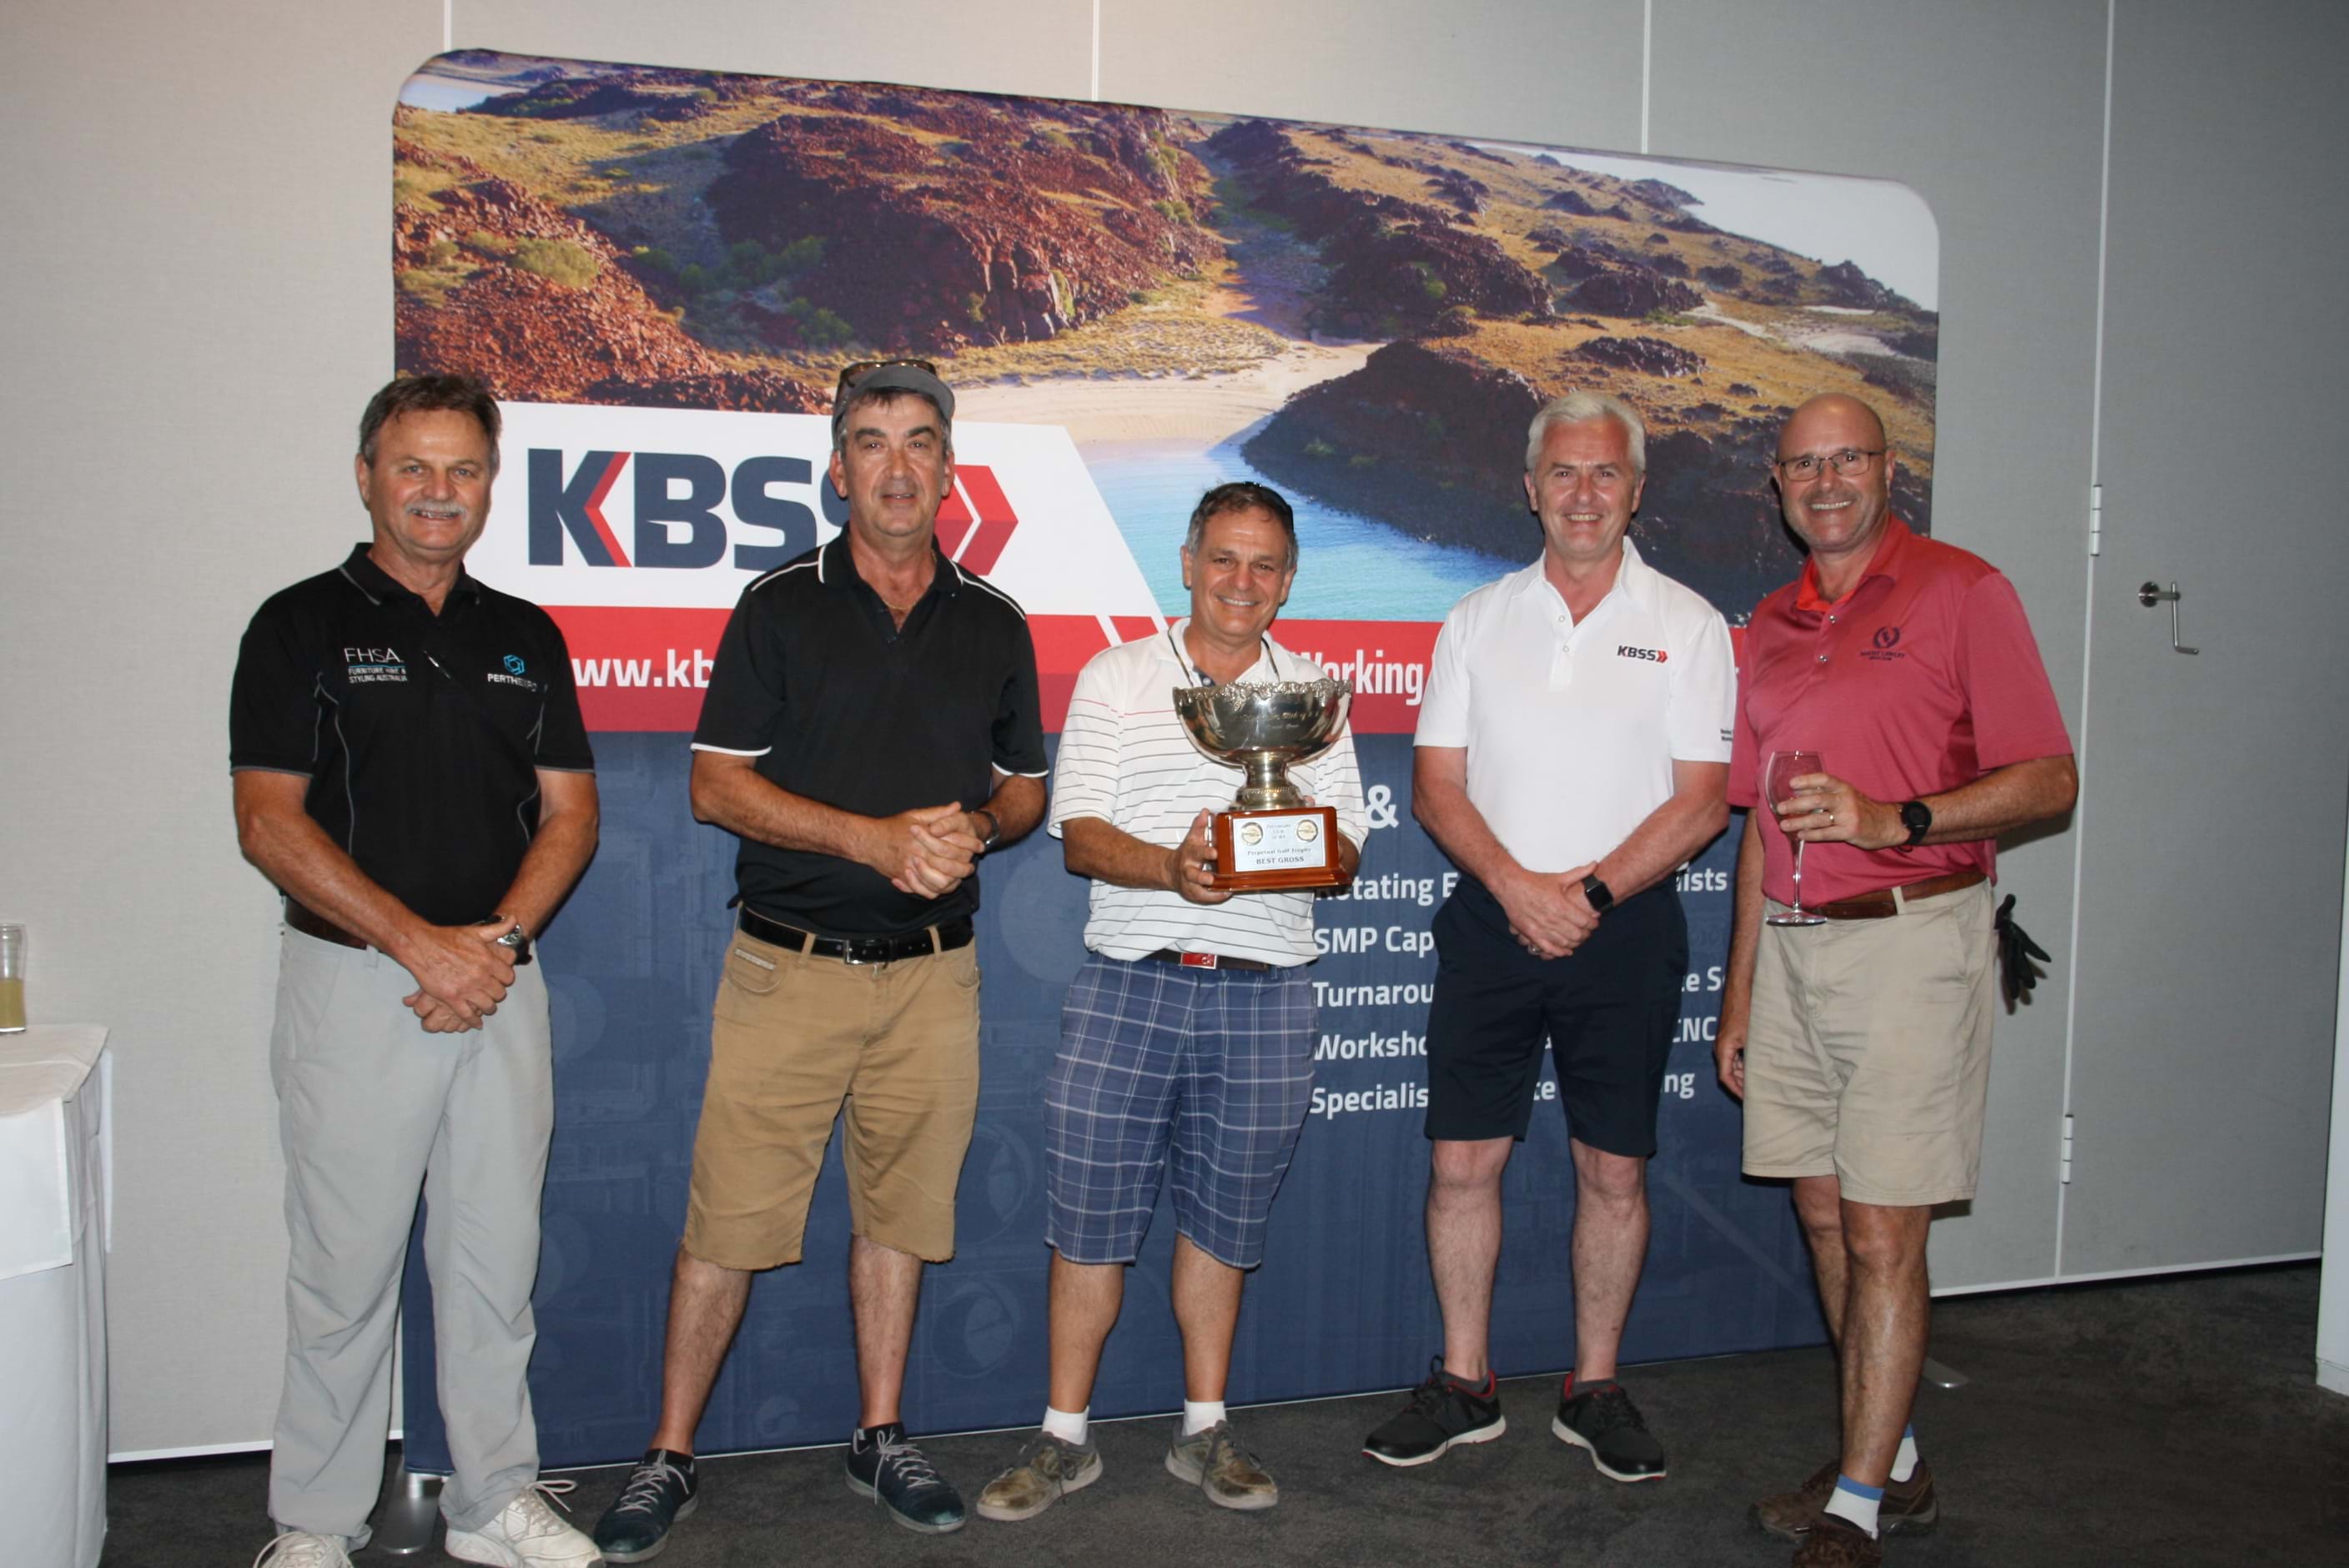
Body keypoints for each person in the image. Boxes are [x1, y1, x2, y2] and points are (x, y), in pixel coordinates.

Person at [589, 361, 1046, 1559]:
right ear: (838, 469)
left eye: (920, 442)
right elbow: (714, 786)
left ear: (950, 469)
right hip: (787, 971)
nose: (897, 465)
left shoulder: (994, 620)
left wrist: (975, 827)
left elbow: (1025, 790)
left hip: (935, 976)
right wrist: (872, 840)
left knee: (901, 1213)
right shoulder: (779, 604)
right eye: (872, 442)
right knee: (728, 1220)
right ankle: (668, 1452)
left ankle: (879, 1435)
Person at [232, 374, 602, 1568]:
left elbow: (571, 814)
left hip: (499, 985)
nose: (439, 492)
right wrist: (419, 944)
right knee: (342, 1274)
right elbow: (268, 822)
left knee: (495, 1263)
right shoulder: (297, 625)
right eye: (414, 467)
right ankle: (314, 1521)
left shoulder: (525, 632)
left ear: (490, 485)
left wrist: (491, 947)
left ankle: (492, 1500)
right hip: (356, 986)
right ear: (367, 477)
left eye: (464, 469)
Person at [1716, 394, 2076, 1568]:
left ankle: (1858, 1504)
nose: (1825, 482)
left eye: (1847, 459)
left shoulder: (1964, 590)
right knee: (1824, 1213)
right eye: (1802, 464)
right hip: (1795, 952)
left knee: (1881, 1231)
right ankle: (1896, 1461)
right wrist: (1738, 992)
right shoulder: (1768, 624)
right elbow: (1760, 828)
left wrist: (1897, 817)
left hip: (1913, 941)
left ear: (1887, 470)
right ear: (1777, 485)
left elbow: (2050, 778)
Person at [973, 481, 1366, 1521]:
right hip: (1131, 981)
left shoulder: (1314, 696)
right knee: (1088, 1218)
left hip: (1266, 993)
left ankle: (1204, 1428)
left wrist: (1284, 842)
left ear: (1288, 580)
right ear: (1187, 564)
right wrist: (1175, 869)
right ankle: (1063, 1435)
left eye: (1264, 564)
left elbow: (1346, 851)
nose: (1241, 580)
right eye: (1222, 558)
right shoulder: (1119, 674)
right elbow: (1080, 834)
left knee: (1225, 1220)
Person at [1363, 389, 1733, 1482]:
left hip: (1627, 929)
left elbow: (1702, 802)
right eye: (1562, 472)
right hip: (1492, 920)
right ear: (1530, 489)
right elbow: (1435, 786)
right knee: (1461, 1162)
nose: (1582, 493)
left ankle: (1595, 1387)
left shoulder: (1690, 625)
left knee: (1612, 1169)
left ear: (1636, 490)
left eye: (1604, 472)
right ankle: (1464, 1384)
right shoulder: (1475, 620)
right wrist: (1518, 889)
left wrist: (1590, 895)